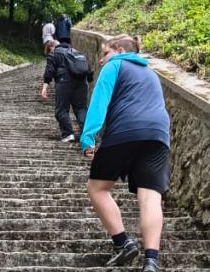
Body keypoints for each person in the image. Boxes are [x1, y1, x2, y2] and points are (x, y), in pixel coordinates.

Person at [80, 36, 171, 272]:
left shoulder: (115, 65)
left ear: (119, 50)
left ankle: (122, 243)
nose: (101, 60)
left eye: (105, 52)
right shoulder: (152, 74)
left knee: (97, 188)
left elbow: (99, 102)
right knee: (151, 198)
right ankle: (151, 261)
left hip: (126, 130)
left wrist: (88, 137)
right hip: (158, 136)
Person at [41, 36, 92, 142]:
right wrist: (89, 84)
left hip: (64, 83)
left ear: (51, 47)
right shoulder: (77, 53)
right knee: (81, 109)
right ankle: (87, 135)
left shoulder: (54, 53)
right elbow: (89, 69)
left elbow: (49, 71)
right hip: (82, 83)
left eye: (49, 50)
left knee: (61, 109)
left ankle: (68, 134)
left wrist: (45, 86)